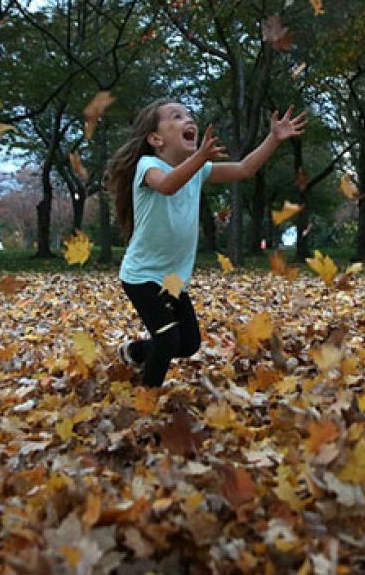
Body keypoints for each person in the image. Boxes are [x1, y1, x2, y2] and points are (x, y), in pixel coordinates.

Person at [104, 99, 307, 388]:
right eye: (176, 116)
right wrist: (199, 158)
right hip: (142, 276)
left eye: (190, 115)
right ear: (156, 139)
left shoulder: (198, 169)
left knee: (188, 343)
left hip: (173, 278)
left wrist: (273, 139)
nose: (189, 119)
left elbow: (244, 169)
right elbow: (167, 185)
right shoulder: (148, 165)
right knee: (166, 339)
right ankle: (145, 405)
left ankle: (134, 352)